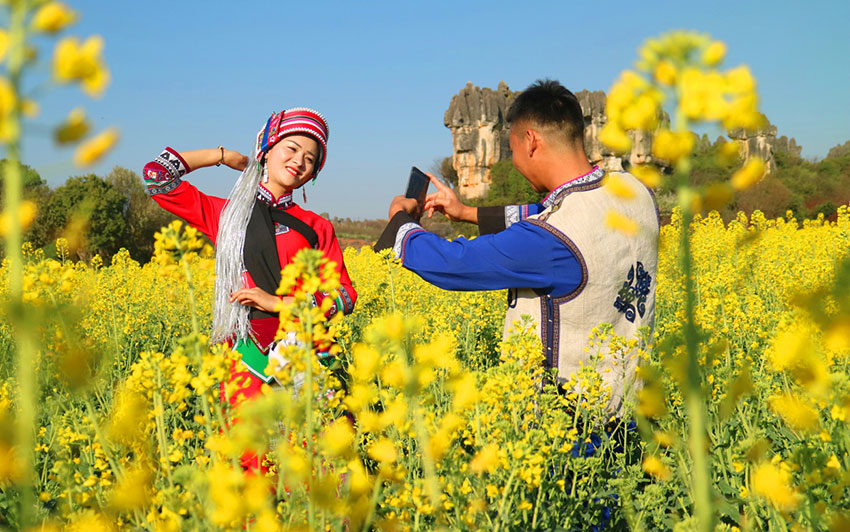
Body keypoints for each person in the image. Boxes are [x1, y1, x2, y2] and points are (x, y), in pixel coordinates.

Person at [375, 80, 658, 415]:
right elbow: (551, 211)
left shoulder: (552, 240)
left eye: (512, 149)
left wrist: (399, 224)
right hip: (631, 410)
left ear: (531, 141)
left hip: (569, 429)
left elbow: (456, 262)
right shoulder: (633, 190)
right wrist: (466, 213)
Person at [143, 108, 357, 411]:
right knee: (250, 453)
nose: (299, 162)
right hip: (247, 358)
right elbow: (157, 177)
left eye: (310, 159)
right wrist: (223, 156)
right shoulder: (226, 215)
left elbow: (345, 296)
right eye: (292, 149)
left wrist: (278, 303)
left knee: (320, 452)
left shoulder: (316, 226)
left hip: (309, 355)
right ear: (267, 150)